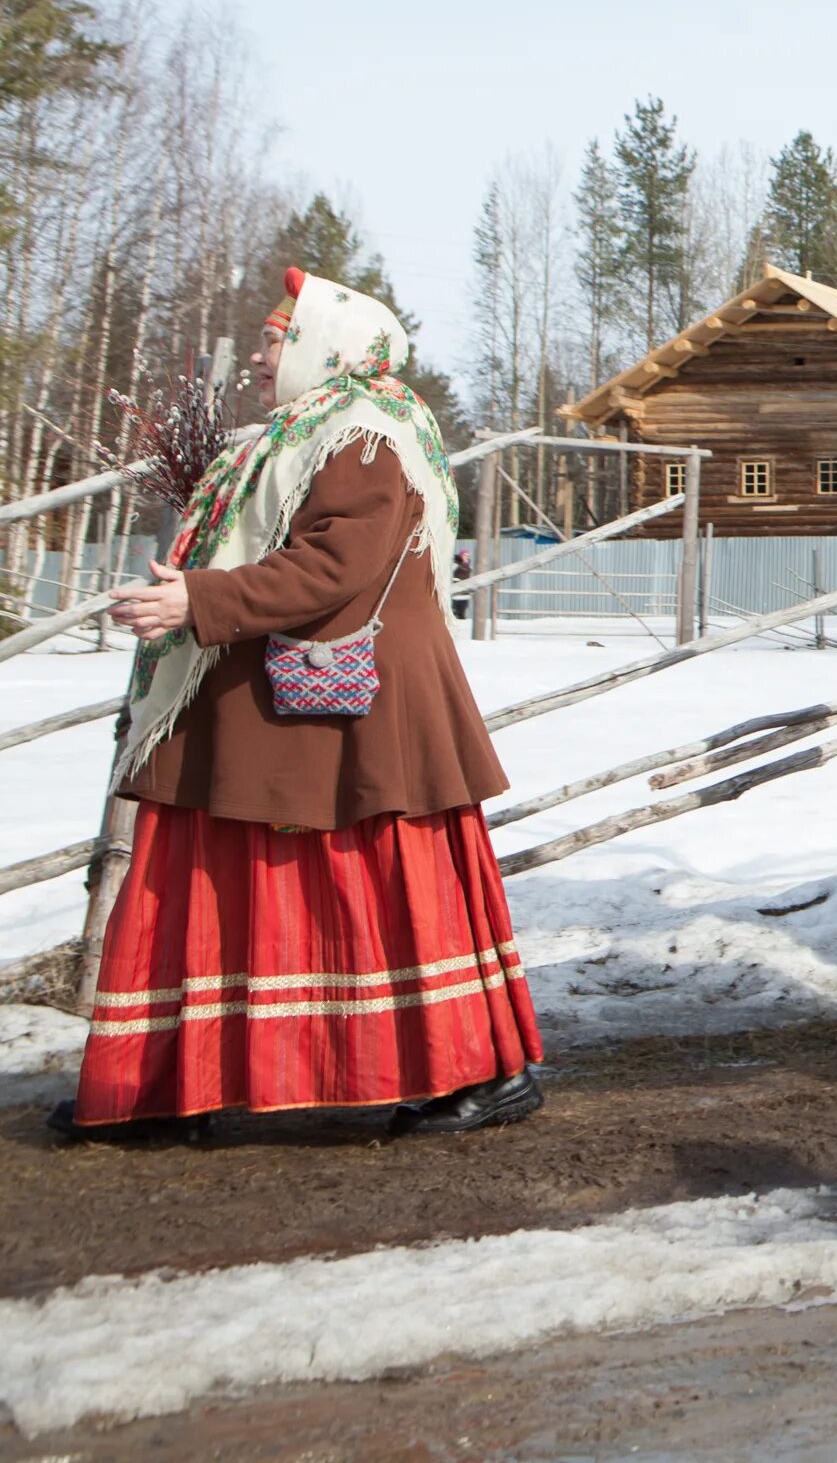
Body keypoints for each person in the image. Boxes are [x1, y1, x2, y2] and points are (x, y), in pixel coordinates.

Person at [65, 269, 539, 1141]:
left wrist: (196, 601)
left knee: (376, 880)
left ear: (327, 347)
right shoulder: (298, 435)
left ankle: (473, 1071)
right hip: (271, 697)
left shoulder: (362, 437)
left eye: (276, 337)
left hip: (347, 710)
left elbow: (335, 568)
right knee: (221, 877)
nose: (259, 352)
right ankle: (174, 1079)